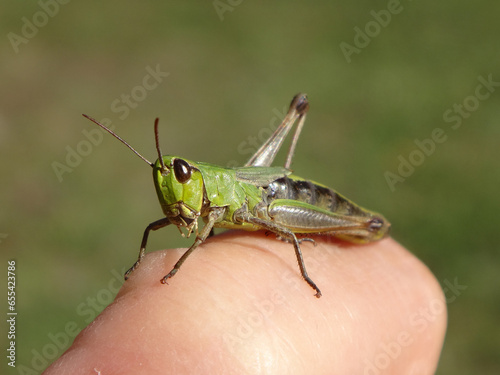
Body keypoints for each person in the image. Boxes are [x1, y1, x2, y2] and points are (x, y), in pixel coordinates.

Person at [43, 232, 446, 374]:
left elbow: (201, 239)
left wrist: (304, 277)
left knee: (287, 234)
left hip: (273, 199)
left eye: (178, 174)